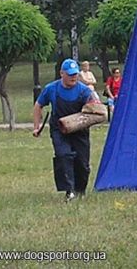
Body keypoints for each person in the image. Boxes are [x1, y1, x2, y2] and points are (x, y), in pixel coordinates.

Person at [33, 58, 98, 202]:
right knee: (64, 156)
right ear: (61, 73)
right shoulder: (51, 89)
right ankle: (69, 191)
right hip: (59, 129)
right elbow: (38, 105)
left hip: (79, 130)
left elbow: (95, 107)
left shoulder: (84, 90)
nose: (73, 77)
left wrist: (96, 109)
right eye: (69, 74)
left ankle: (80, 191)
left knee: (82, 163)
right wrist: (36, 127)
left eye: (75, 74)